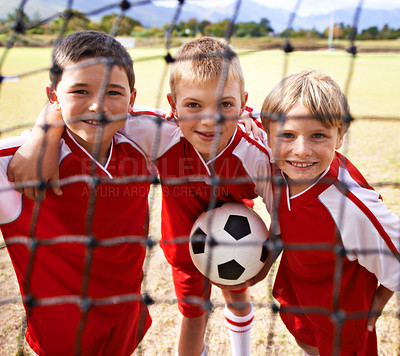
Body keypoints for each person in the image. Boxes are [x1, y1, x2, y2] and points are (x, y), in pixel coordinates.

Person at [8, 37, 278, 356]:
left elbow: (283, 210)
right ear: (173, 106)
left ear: (241, 103)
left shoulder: (258, 155)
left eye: (226, 106)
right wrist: (44, 131)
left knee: (237, 296)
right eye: (193, 106)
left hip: (240, 242)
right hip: (181, 242)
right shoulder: (156, 131)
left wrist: (264, 262)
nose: (210, 120)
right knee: (193, 313)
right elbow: (91, 111)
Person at [0, 30, 152, 355]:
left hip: (127, 314)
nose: (98, 106)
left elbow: (211, 117)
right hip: (63, 333)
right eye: (80, 90)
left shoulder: (145, 136)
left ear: (132, 98)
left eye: (113, 92)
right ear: (53, 96)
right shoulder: (15, 163)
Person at [260, 69, 400, 356]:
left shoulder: (350, 205)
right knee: (305, 341)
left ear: (339, 137)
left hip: (342, 314)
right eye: (287, 135)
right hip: (300, 288)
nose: (301, 150)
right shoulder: (279, 169)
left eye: (318, 135)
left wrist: (375, 307)